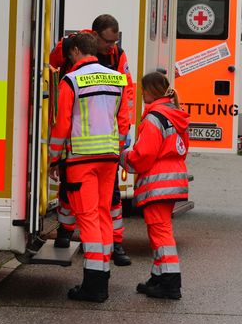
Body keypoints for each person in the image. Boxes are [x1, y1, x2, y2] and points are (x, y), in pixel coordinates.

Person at [49, 32, 130, 302]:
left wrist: (53, 157)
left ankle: (94, 285)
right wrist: (117, 150)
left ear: (74, 52)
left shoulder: (70, 80)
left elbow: (62, 125)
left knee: (87, 218)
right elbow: (124, 120)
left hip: (81, 159)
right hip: (109, 157)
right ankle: (102, 274)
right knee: (103, 214)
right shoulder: (117, 78)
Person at [124, 72, 190, 300]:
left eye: (143, 90)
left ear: (150, 91)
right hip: (174, 179)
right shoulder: (175, 114)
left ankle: (170, 283)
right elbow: (182, 148)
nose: (142, 95)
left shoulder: (154, 118)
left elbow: (145, 154)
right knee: (159, 230)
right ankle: (158, 276)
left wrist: (125, 158)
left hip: (158, 181)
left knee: (160, 232)